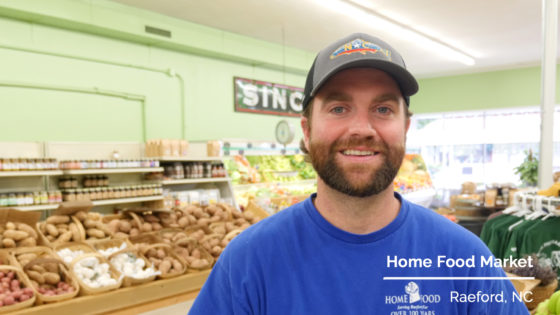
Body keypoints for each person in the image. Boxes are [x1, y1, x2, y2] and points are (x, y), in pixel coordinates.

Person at [189, 33, 529, 314]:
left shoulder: (464, 258)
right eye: (339, 108)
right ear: (307, 131)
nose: (362, 128)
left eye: (382, 109)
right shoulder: (249, 262)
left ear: (406, 128)